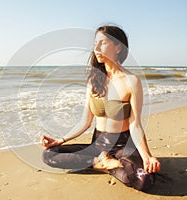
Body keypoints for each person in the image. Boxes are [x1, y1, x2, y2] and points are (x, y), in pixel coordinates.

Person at [41, 25, 161, 191]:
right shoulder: (93, 81)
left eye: (103, 43)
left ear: (118, 47)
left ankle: (109, 165)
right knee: (49, 155)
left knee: (144, 180)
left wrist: (147, 156)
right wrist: (60, 140)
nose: (96, 48)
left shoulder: (132, 81)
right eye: (95, 43)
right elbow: (85, 121)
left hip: (122, 146)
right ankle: (101, 162)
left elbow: (135, 125)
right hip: (97, 146)